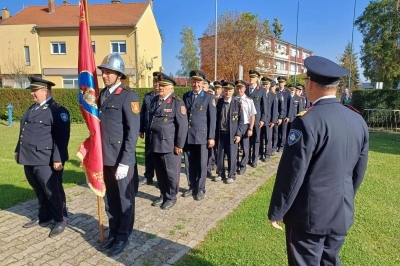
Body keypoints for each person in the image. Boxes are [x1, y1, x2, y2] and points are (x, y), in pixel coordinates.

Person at [268, 55, 369, 266]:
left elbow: (292, 173)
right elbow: (358, 171)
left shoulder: (307, 121)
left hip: (309, 217)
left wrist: (278, 209)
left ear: (311, 83)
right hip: (340, 211)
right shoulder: (357, 119)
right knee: (329, 261)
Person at [15, 76, 70, 238]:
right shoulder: (32, 108)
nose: (32, 94)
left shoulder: (58, 110)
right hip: (29, 157)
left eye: (34, 91)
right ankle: (44, 217)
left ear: (45, 92)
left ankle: (61, 219)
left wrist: (58, 158)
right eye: (31, 91)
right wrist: (18, 150)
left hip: (46, 159)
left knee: (53, 191)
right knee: (39, 190)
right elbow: (23, 132)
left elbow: (62, 137)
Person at [97, 53, 140, 256]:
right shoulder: (103, 95)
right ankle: (113, 232)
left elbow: (132, 133)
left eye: (108, 72)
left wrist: (125, 162)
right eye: (103, 71)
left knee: (124, 199)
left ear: (118, 74)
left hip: (121, 159)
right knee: (110, 199)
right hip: (105, 157)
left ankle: (123, 235)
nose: (104, 75)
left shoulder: (128, 96)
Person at [149, 72, 188, 210]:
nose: (160, 88)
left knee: (171, 173)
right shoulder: (155, 100)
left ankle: (171, 197)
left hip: (169, 145)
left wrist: (179, 144)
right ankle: (163, 194)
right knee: (160, 173)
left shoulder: (177, 102)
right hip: (155, 143)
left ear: (171, 88)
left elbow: (182, 126)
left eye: (163, 86)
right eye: (159, 85)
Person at [182, 70, 216, 201]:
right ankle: (192, 187)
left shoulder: (209, 98)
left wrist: (211, 137)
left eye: (198, 82)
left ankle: (201, 189)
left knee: (202, 164)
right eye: (194, 82)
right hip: (188, 136)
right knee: (189, 164)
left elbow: (212, 119)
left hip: (202, 136)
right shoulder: (186, 96)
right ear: (191, 82)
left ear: (203, 83)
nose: (196, 84)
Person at [214, 81, 246, 183]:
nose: (227, 92)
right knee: (220, 155)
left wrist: (239, 134)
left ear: (233, 91)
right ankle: (220, 173)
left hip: (232, 134)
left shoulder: (237, 104)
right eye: (226, 90)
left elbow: (242, 121)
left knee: (232, 156)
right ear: (223, 91)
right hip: (221, 133)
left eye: (230, 90)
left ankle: (231, 175)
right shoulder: (219, 102)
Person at [139, 71, 160, 186]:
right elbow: (142, 113)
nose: (156, 84)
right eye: (154, 82)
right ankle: (148, 176)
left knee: (158, 156)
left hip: (158, 132)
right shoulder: (148, 96)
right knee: (148, 154)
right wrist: (141, 129)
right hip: (148, 130)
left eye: (158, 82)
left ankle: (161, 178)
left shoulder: (163, 97)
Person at [245, 70, 267, 168]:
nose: (251, 79)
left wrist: (263, 119)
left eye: (253, 77)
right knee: (247, 139)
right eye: (250, 77)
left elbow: (264, 106)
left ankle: (254, 159)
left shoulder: (261, 90)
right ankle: (247, 158)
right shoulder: (245, 89)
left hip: (257, 118)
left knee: (256, 139)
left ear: (257, 78)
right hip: (246, 118)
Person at [234, 80, 256, 175]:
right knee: (234, 148)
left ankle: (243, 166)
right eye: (238, 88)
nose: (239, 90)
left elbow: (252, 115)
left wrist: (251, 128)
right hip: (235, 126)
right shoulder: (233, 100)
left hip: (246, 126)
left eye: (241, 88)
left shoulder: (249, 100)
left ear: (244, 88)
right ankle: (235, 165)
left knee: (245, 148)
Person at [260, 77, 278, 162]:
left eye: (266, 84)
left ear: (270, 85)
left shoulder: (272, 95)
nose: (265, 86)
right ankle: (260, 153)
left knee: (268, 138)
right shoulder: (260, 94)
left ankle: (267, 154)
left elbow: (274, 109)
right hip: (260, 120)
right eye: (263, 84)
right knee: (259, 138)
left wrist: (273, 121)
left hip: (269, 120)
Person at [276, 76, 291, 152]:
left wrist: (288, 116)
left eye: (282, 82)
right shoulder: (276, 91)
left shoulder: (288, 92)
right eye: (279, 82)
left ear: (284, 83)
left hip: (284, 115)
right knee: (277, 131)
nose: (280, 84)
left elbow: (289, 105)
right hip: (276, 114)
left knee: (283, 130)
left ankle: (282, 145)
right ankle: (277, 144)